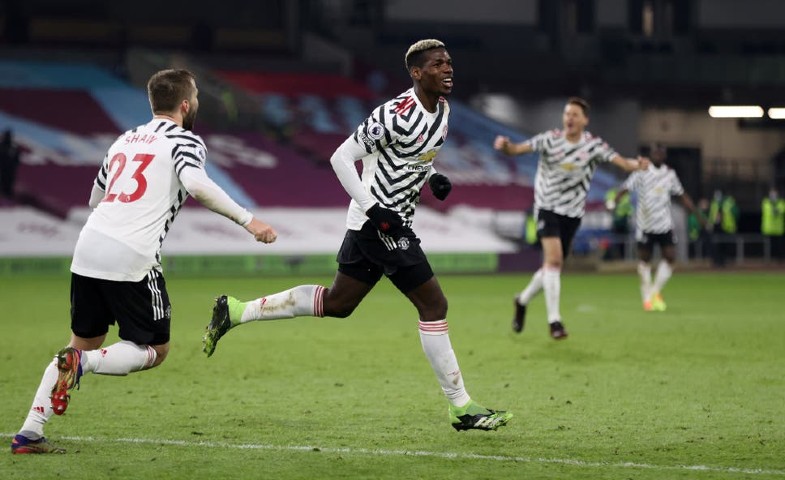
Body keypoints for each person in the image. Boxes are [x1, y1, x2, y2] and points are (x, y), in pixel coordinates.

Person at [202, 39, 512, 432]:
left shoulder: (443, 111)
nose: (448, 69)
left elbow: (411, 156)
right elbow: (341, 157)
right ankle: (461, 407)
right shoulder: (394, 114)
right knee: (434, 305)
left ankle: (236, 310)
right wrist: (375, 208)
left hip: (386, 222)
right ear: (416, 73)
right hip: (379, 225)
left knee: (338, 303)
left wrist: (434, 177)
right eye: (437, 64)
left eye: (449, 62)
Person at [11, 69, 278, 454]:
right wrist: (248, 220)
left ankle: (29, 432)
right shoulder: (184, 140)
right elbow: (198, 184)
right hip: (131, 254)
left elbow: (94, 199)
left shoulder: (123, 140)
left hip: (88, 247)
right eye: (197, 96)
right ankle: (81, 366)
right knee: (154, 349)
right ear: (186, 105)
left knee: (82, 343)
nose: (198, 103)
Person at [493, 97, 649, 339]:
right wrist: (505, 146)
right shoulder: (550, 139)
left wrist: (637, 164)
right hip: (546, 208)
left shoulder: (594, 146)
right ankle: (554, 321)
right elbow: (516, 149)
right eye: (567, 114)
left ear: (585, 120)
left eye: (575, 115)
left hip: (573, 214)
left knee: (551, 268)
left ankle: (522, 300)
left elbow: (622, 163)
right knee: (553, 262)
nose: (570, 118)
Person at [613, 142, 706, 311]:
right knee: (645, 261)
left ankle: (654, 292)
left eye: (661, 153)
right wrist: (614, 201)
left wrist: (696, 214)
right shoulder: (642, 171)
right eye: (655, 152)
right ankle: (647, 298)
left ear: (664, 156)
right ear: (651, 154)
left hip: (664, 224)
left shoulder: (670, 174)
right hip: (645, 224)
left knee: (670, 258)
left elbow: (681, 194)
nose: (657, 155)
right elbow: (626, 187)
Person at [708, 189, 739, 267]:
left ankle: (725, 261)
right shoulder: (714, 203)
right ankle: (717, 261)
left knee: (726, 245)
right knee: (716, 245)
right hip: (716, 227)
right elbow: (711, 215)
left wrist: (733, 223)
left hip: (727, 227)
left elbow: (736, 213)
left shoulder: (729, 202)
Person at [761, 186, 785, 262]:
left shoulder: (781, 202)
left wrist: (777, 210)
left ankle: (780, 259)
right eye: (771, 194)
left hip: (778, 229)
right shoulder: (766, 202)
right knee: (768, 246)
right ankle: (768, 259)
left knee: (779, 246)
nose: (773, 195)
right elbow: (767, 211)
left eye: (774, 194)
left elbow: (781, 210)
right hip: (768, 229)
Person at [0, 128, 21, 198]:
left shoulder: (10, 147)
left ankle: (6, 193)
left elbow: (17, 157)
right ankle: (7, 193)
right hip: (9, 168)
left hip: (5, 167)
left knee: (6, 180)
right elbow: (17, 157)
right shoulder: (13, 147)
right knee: (8, 181)